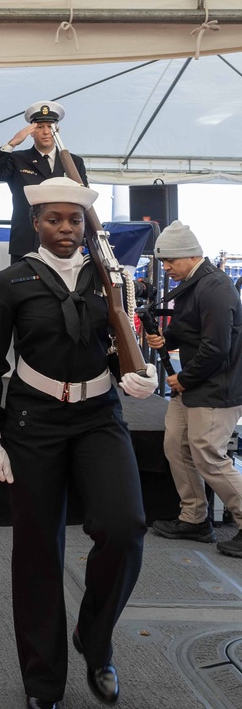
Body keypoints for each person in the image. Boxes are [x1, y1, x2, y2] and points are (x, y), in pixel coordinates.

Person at [0, 177, 156, 709]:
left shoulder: (111, 278)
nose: (65, 229)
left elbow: (126, 342)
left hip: (99, 416)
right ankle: (43, 680)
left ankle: (94, 643)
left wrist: (138, 375)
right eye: (54, 219)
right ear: (36, 224)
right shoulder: (13, 281)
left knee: (125, 530)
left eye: (74, 220)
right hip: (33, 421)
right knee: (36, 552)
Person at [146, 221, 242, 558]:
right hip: (198, 382)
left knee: (209, 457)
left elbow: (216, 347)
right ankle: (194, 519)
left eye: (169, 260)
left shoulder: (214, 287)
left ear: (190, 255)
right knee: (177, 447)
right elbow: (189, 330)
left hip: (216, 386)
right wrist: (165, 338)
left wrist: (183, 380)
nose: (166, 267)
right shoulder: (191, 283)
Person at [0, 100, 88, 262]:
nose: (46, 132)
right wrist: (12, 143)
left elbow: (83, 202)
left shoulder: (74, 162)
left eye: (50, 126)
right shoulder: (18, 159)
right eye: (40, 127)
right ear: (31, 131)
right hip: (27, 240)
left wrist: (82, 240)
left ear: (58, 130)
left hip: (65, 241)